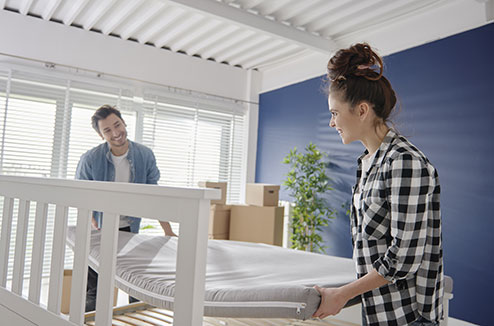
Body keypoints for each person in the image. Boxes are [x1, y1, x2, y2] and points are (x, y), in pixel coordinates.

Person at [312, 43, 443, 326]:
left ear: (361, 110)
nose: (332, 123)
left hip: (408, 317)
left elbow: (404, 258)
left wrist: (343, 294)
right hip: (378, 313)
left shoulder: (404, 162)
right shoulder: (367, 163)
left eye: (335, 113)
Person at [75, 104, 176, 312]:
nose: (115, 133)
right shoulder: (90, 159)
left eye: (117, 125)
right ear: (101, 135)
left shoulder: (144, 155)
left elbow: (154, 195)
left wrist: (167, 229)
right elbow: (83, 198)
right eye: (107, 130)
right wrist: (94, 226)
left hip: (129, 231)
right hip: (99, 231)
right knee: (95, 292)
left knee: (135, 288)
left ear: (123, 122)